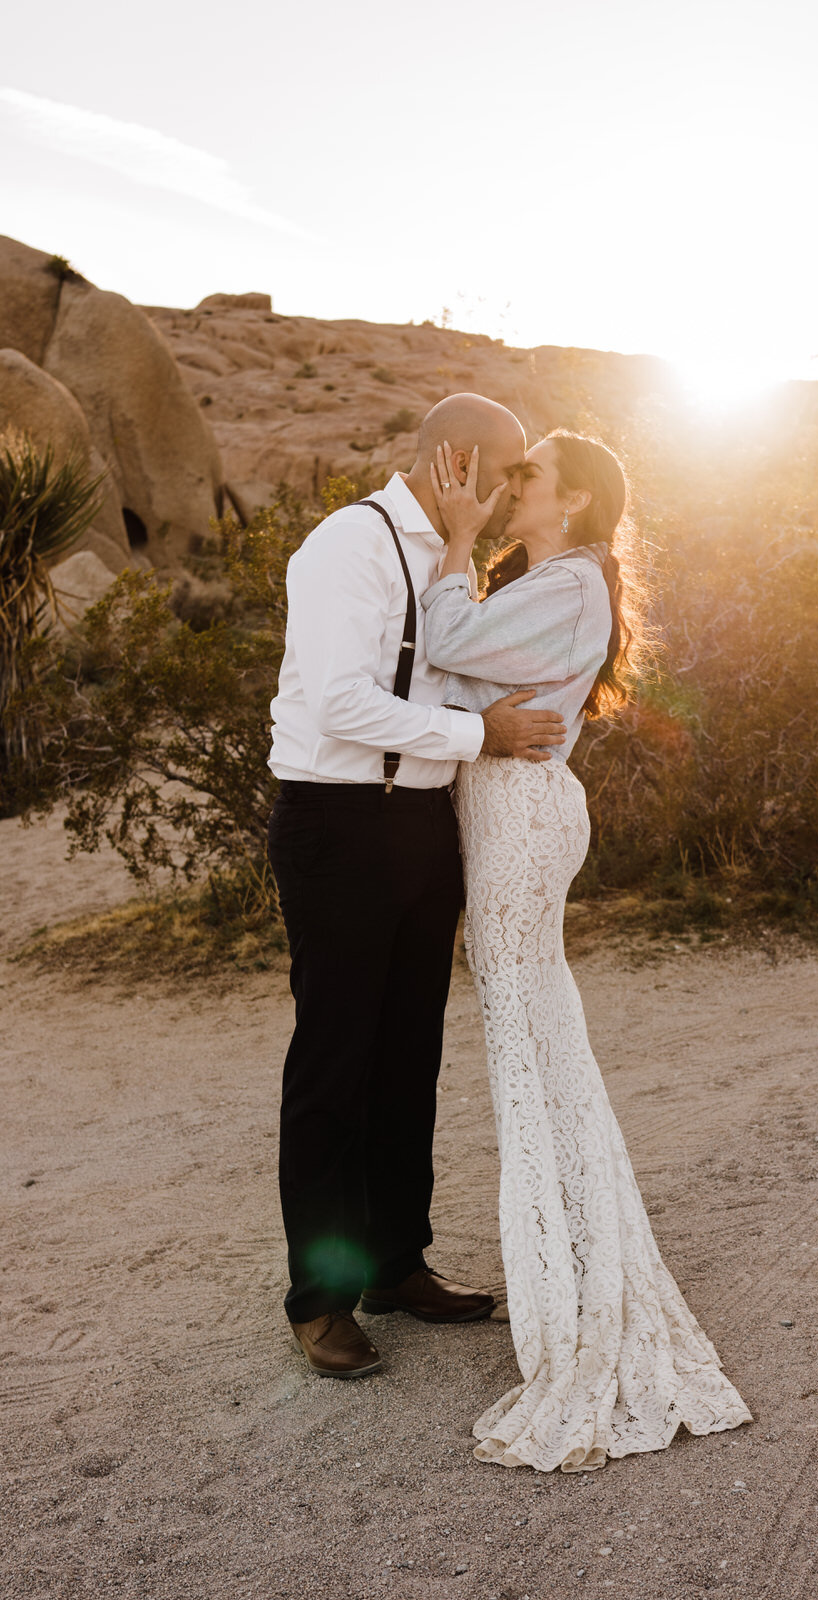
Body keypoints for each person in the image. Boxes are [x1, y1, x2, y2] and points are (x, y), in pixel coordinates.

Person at [421, 429, 753, 1471]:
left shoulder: (566, 580)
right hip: (511, 808)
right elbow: (472, 675)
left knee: (527, 1042)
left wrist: (458, 541)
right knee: (533, 1035)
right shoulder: (559, 581)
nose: (510, 486)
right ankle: (566, 1251)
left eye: (524, 478)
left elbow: (445, 642)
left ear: (565, 502)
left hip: (519, 816)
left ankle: (572, 1288)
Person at [267, 394, 567, 1380]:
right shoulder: (345, 547)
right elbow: (342, 703)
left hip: (420, 830)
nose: (517, 483)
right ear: (457, 460)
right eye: (510, 467)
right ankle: (322, 1300)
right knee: (335, 1066)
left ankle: (398, 1263)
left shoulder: (449, 557)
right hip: (340, 827)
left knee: (409, 1060)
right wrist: (482, 735)